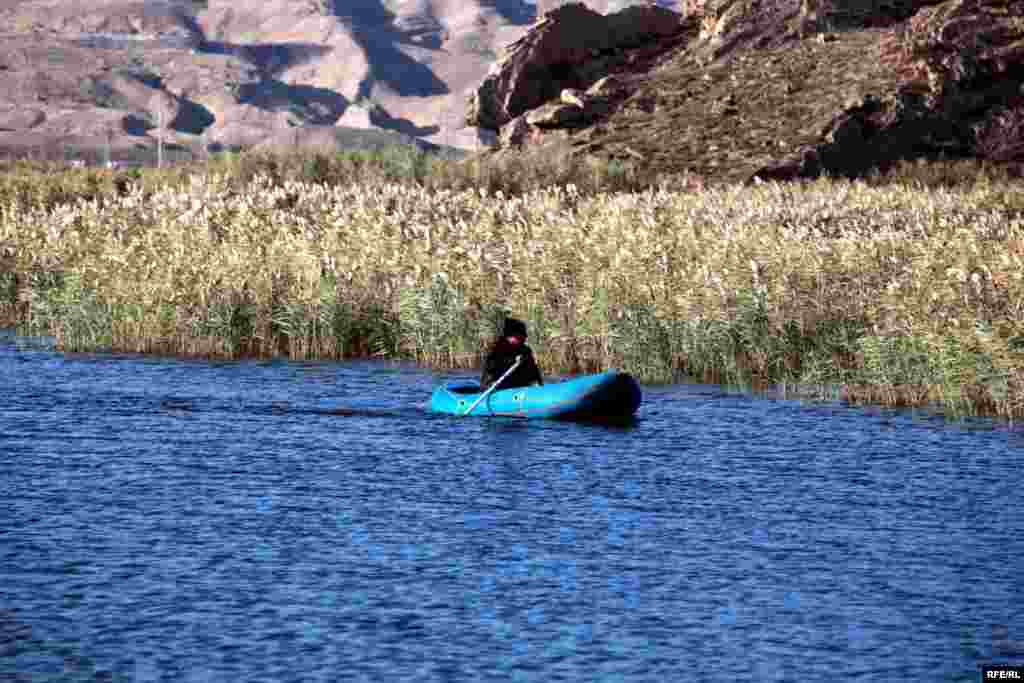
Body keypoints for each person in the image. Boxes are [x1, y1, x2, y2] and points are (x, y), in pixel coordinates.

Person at [479, 317, 543, 391]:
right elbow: (488, 376)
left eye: (523, 337)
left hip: (520, 388)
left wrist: (539, 386)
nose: (523, 339)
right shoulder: (495, 351)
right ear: (508, 336)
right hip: (498, 389)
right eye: (518, 337)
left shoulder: (525, 351)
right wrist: (513, 360)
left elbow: (534, 374)